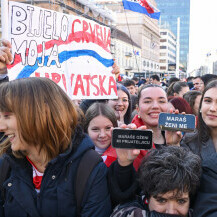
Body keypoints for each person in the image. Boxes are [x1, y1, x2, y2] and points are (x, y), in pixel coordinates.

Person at [0, 78, 111, 217]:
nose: (1, 127)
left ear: (42, 112)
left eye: (7, 116)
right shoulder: (6, 166)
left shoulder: (89, 167)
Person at [110, 146, 201, 217]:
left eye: (181, 201)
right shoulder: (127, 212)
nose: (171, 212)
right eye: (161, 200)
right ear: (147, 199)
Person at [180, 79, 217, 217]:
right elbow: (183, 187)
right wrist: (173, 146)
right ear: (200, 106)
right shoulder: (189, 141)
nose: (212, 108)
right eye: (208, 101)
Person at [132, 84, 182, 149]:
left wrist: (174, 145)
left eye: (161, 101)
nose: (155, 106)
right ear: (138, 109)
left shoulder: (178, 137)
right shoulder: (128, 139)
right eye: (147, 101)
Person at [84, 102, 118, 167]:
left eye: (108, 128)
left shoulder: (123, 154)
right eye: (95, 129)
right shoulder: (78, 156)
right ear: (86, 130)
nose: (102, 135)